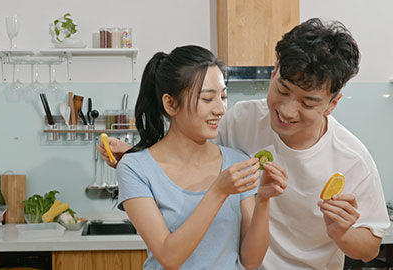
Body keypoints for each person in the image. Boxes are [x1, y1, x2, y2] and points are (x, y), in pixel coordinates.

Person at [98, 18, 391, 269]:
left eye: (308, 102)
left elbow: (369, 248)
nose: (287, 110)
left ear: (332, 103)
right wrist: (138, 156)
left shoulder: (352, 158)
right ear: (274, 72)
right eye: (283, 90)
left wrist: (342, 234)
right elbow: (186, 140)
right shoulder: (241, 121)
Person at [112, 45, 287, 269]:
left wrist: (263, 200)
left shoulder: (236, 162)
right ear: (170, 104)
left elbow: (251, 261)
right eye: (207, 99)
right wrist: (219, 191)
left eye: (223, 96)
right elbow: (169, 256)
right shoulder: (135, 168)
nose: (221, 109)